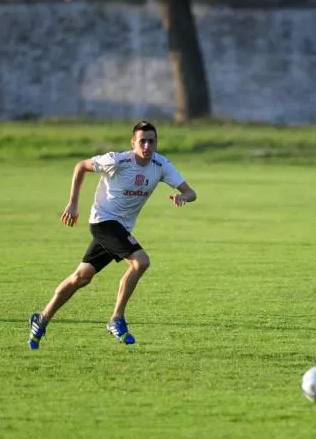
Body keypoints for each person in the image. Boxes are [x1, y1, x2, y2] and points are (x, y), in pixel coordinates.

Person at [28, 121, 197, 349]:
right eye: (142, 141)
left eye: (151, 141)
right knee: (141, 262)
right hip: (103, 222)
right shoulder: (118, 160)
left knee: (82, 277)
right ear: (133, 143)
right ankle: (116, 318)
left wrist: (183, 197)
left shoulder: (161, 164)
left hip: (121, 228)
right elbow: (81, 166)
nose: (147, 146)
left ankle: (42, 318)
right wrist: (73, 204)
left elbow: (191, 191)